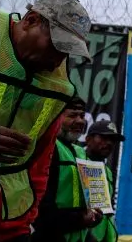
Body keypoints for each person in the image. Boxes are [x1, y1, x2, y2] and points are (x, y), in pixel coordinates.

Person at [0, 0, 92, 242]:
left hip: (10, 227)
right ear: (30, 20)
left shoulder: (58, 87)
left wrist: (25, 223)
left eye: (67, 54)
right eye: (56, 47)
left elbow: (40, 160)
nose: (56, 63)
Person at [31, 97, 103, 242]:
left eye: (82, 116)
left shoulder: (82, 153)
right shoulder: (47, 148)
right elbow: (41, 207)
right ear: (56, 116)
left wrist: (96, 214)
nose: (80, 121)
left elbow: (95, 201)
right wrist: (80, 218)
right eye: (72, 115)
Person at [85, 120, 124, 242]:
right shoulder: (76, 163)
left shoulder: (107, 172)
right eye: (103, 137)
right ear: (88, 139)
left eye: (112, 140)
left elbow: (107, 213)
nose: (109, 143)